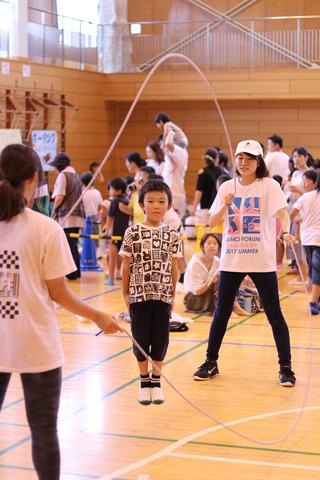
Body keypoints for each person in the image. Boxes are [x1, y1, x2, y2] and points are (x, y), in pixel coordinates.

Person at [0, 143, 121, 480]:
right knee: (43, 430)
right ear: (35, 179)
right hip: (36, 343)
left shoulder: (43, 228)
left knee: (42, 429)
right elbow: (59, 293)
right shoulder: (45, 229)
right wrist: (99, 316)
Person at [193, 140, 296, 387]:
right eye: (240, 158)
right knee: (221, 314)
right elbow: (213, 223)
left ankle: (286, 368)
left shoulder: (269, 186)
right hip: (232, 260)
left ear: (258, 162)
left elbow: (283, 214)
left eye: (249, 158)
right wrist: (226, 204)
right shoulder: (227, 186)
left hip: (262, 261)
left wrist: (285, 232)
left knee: (274, 315)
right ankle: (210, 362)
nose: (243, 163)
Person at [120, 180, 180, 405]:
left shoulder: (172, 234)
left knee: (160, 339)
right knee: (141, 339)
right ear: (142, 204)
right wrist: (125, 294)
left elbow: (174, 268)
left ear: (169, 205)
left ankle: (157, 381)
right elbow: (127, 265)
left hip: (163, 295)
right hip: (138, 295)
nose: (156, 206)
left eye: (161, 201)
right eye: (151, 201)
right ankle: (144, 381)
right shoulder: (132, 232)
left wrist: (173, 295)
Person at [50, 153, 85, 280]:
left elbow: (60, 196)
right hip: (78, 214)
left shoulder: (63, 175)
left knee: (69, 244)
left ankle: (72, 273)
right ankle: (77, 272)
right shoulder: (76, 175)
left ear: (59, 165)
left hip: (67, 214)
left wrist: (53, 211)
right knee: (73, 243)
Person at [291, 172, 320, 314]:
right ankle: (314, 301)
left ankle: (314, 301)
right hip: (313, 239)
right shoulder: (307, 197)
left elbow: (291, 215)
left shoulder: (305, 197)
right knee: (316, 271)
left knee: (315, 270)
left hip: (307, 239)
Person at [154, 112, 188, 216]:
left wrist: (169, 134)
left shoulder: (178, 150)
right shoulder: (170, 156)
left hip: (175, 195)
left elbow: (167, 144)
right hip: (173, 194)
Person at [184, 233, 220, 314]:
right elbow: (197, 291)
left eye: (215, 243)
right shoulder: (195, 263)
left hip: (207, 296)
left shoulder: (217, 261)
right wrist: (210, 282)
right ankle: (232, 309)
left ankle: (233, 308)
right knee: (215, 281)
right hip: (192, 299)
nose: (212, 246)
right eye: (209, 243)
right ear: (202, 246)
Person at [104, 177, 129, 286]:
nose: (110, 191)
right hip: (124, 232)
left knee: (112, 256)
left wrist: (106, 231)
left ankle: (110, 278)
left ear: (118, 191)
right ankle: (119, 273)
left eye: (111, 189)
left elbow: (110, 217)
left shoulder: (114, 201)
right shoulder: (126, 200)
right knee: (121, 255)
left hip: (114, 233)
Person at [190, 148, 222, 224]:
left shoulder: (202, 172)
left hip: (205, 208)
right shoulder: (222, 171)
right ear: (216, 159)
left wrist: (194, 208)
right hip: (218, 208)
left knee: (206, 233)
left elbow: (199, 191)